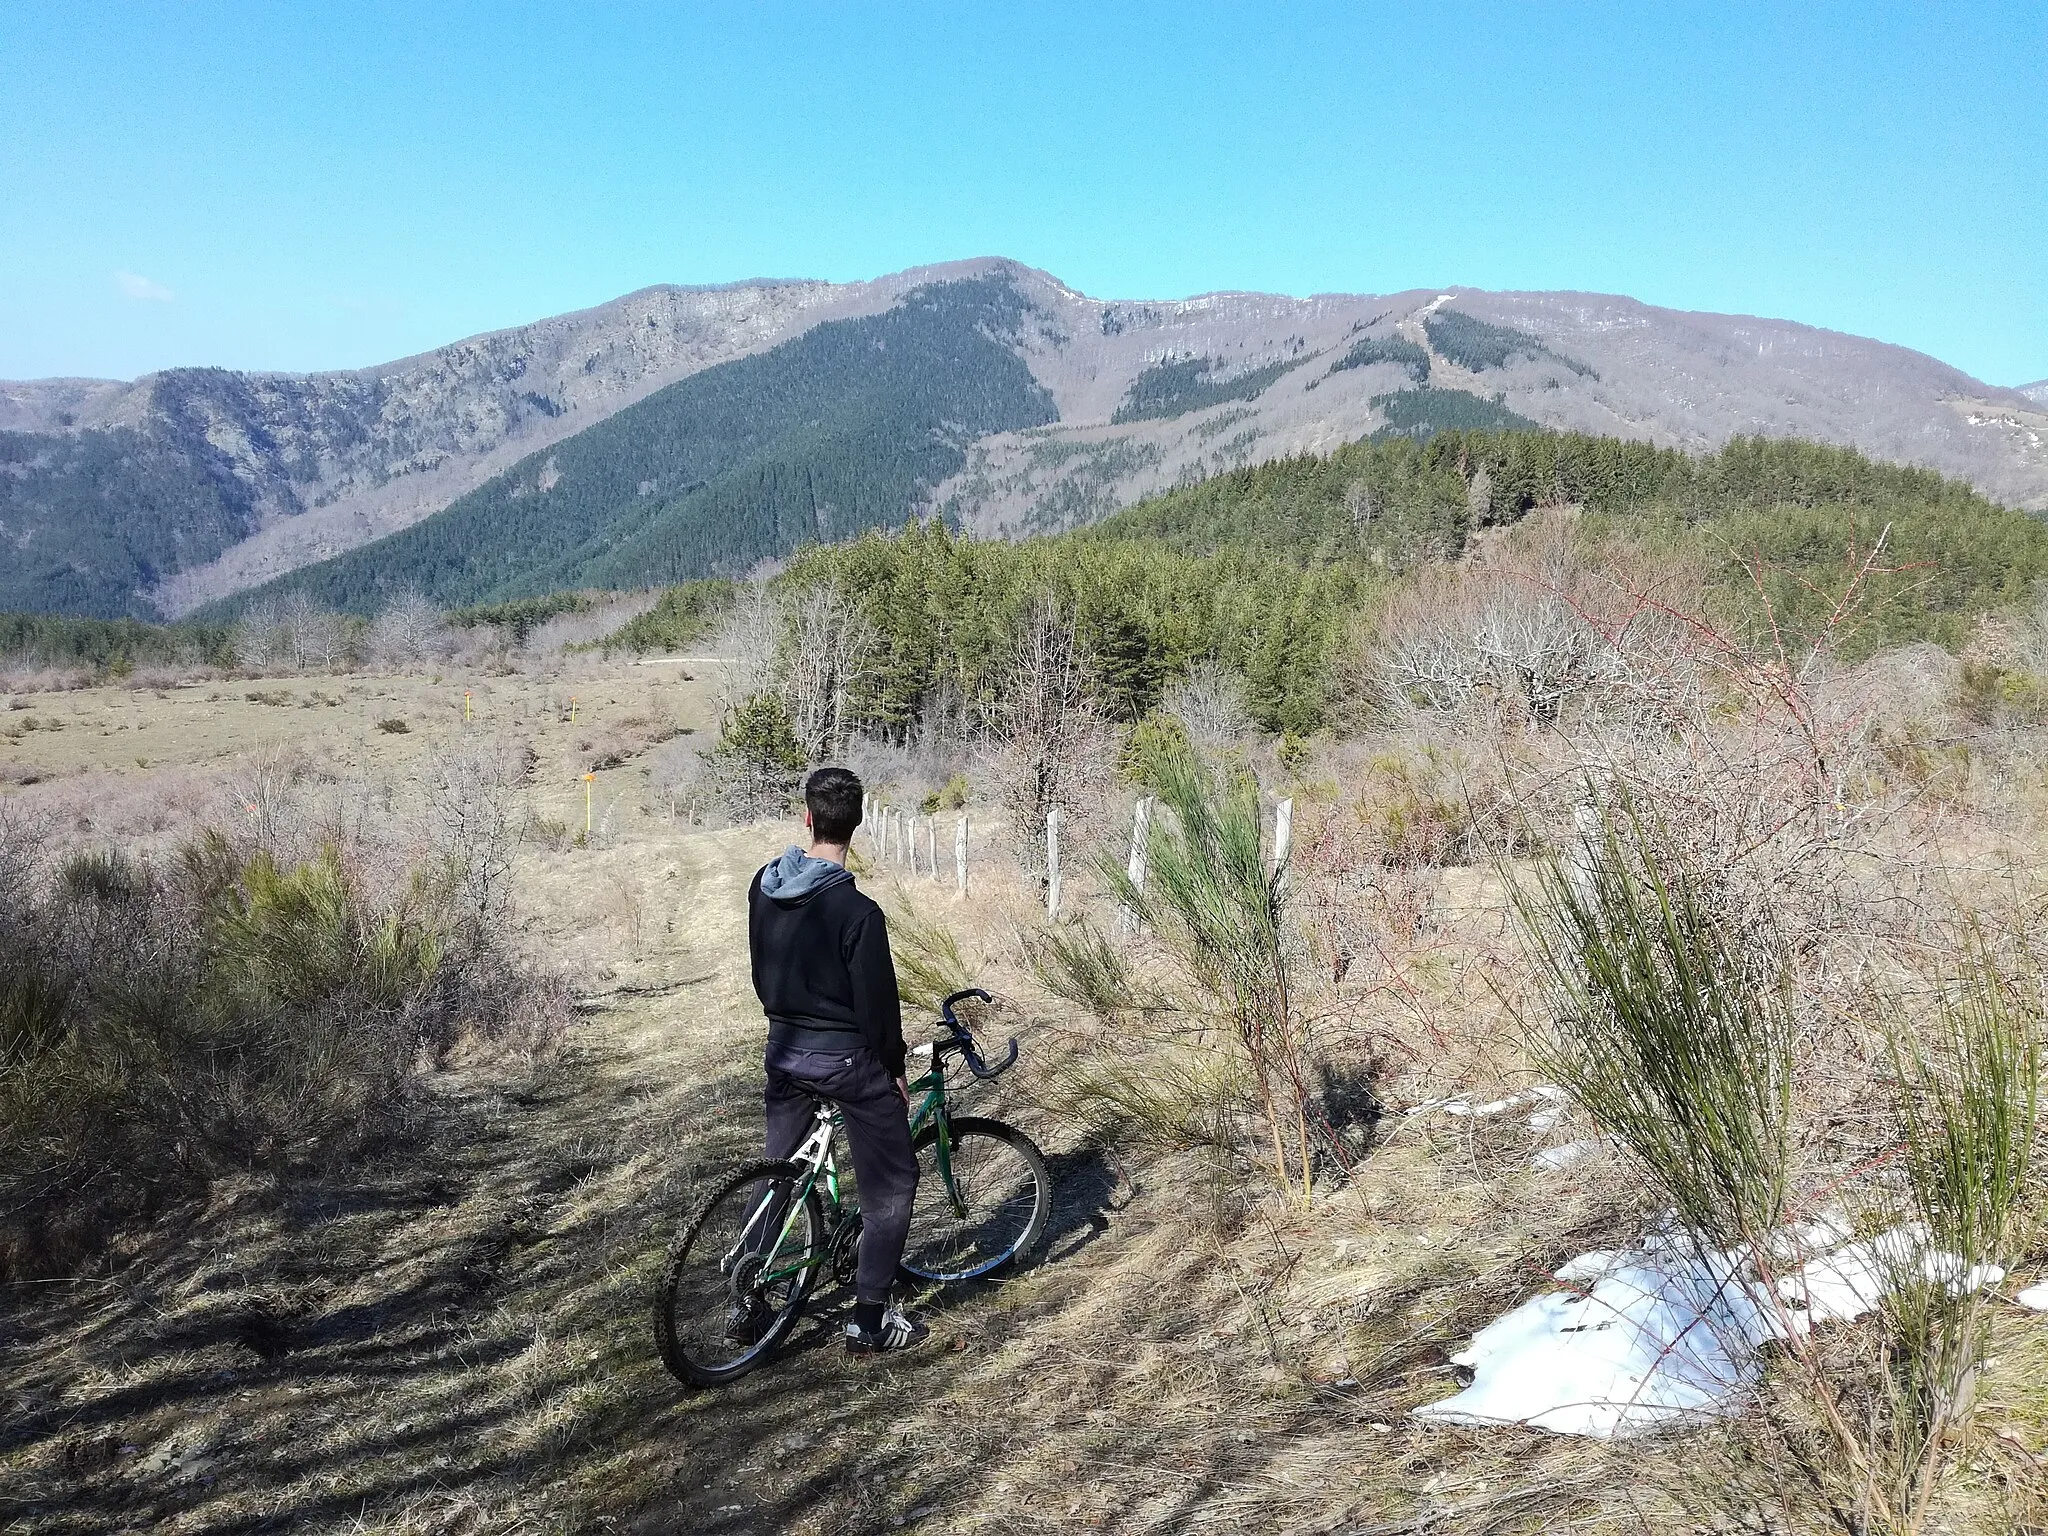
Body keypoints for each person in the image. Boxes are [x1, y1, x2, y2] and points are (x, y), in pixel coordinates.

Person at [747, 765, 928, 1355]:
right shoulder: (860, 914)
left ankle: (748, 1296)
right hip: (845, 1058)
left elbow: (761, 969)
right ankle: (869, 1321)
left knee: (777, 1169)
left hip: (783, 1047)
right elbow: (878, 1010)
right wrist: (895, 1070)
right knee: (893, 1180)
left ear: (807, 818)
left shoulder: (763, 887)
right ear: (857, 824)